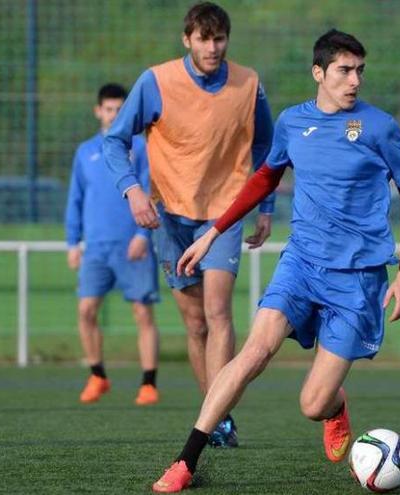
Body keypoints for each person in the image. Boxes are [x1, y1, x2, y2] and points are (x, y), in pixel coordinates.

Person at [150, 29, 400, 493]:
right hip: (301, 264)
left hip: (357, 280)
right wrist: (212, 233)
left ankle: (334, 409)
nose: (354, 79)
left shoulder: (380, 127)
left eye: (359, 70)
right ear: (319, 73)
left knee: (312, 404)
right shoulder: (294, 122)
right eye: (343, 70)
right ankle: (186, 459)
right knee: (253, 353)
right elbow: (263, 179)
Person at [104, 2, 276, 447]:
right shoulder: (156, 81)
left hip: (224, 213)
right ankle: (214, 414)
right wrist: (133, 190)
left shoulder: (248, 83)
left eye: (220, 39)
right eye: (204, 39)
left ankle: (217, 420)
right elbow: (115, 141)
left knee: (219, 312)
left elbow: (267, 151)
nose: (213, 47)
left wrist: (266, 207)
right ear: (188, 40)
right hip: (170, 216)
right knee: (195, 323)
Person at [65, 83, 161, 406]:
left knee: (142, 312)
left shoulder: (141, 148)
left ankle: (148, 383)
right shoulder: (85, 152)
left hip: (133, 245)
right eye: (109, 109)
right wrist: (72, 242)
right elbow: (75, 199)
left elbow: (151, 189)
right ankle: (97, 375)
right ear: (98, 111)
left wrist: (142, 235)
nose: (114, 115)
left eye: (120, 110)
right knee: (86, 309)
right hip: (96, 248)